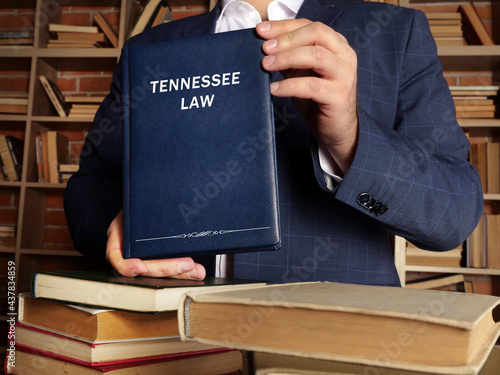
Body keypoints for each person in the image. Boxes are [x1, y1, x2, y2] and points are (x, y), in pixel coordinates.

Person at [64, 0, 484, 286]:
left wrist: (350, 138)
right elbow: (90, 184)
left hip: (333, 346)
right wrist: (114, 226)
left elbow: (454, 216)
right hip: (167, 344)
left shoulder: (396, 33)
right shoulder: (148, 48)